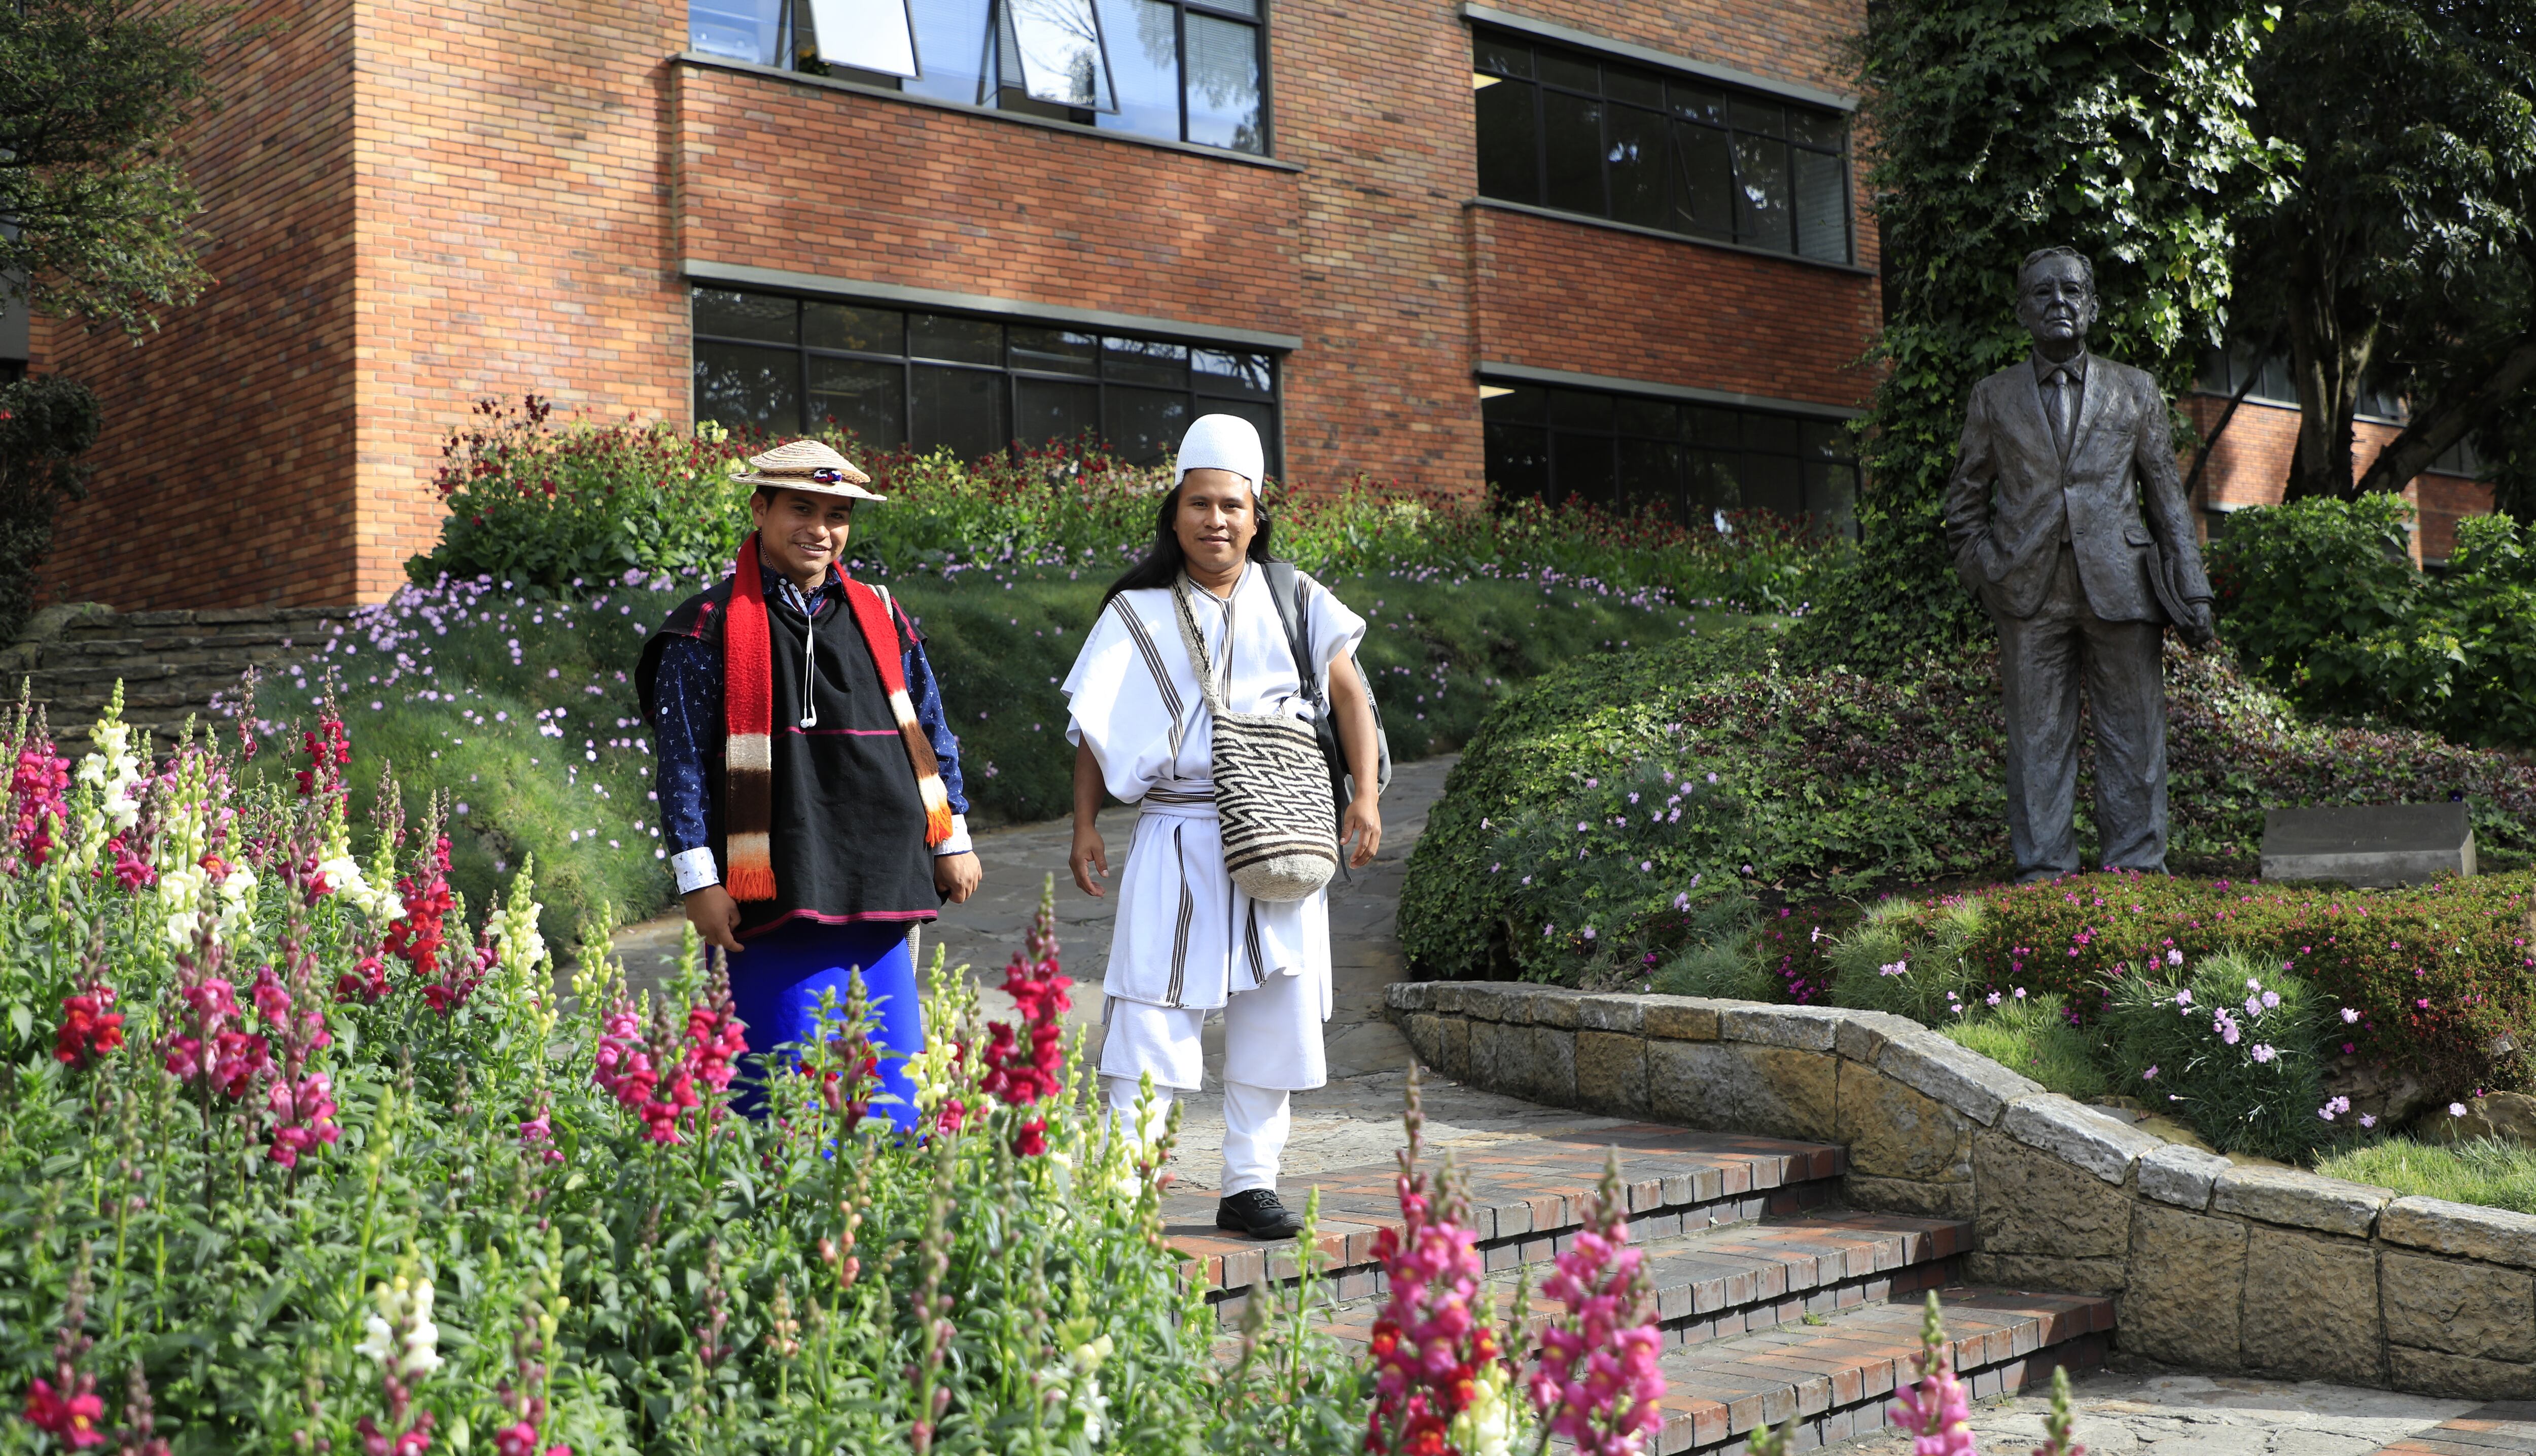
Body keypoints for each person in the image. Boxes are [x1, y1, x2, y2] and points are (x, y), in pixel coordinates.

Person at [1063, 414, 1383, 1239]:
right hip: (1175, 829)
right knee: (1150, 1009)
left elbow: (1350, 696)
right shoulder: (1136, 611)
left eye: (1231, 506)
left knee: (1277, 1009)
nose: (1215, 520)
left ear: (1256, 513)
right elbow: (1098, 723)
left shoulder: (1298, 596)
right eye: (1199, 504)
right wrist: (1085, 825)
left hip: (1281, 829)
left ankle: (1250, 1182)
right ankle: (1127, 1187)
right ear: (1175, 513)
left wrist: (1368, 796)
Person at [638, 438, 983, 1126]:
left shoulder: (881, 615)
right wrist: (698, 881)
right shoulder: (703, 629)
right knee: (777, 1083)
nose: (821, 529)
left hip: (882, 880)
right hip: (771, 890)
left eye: (838, 514)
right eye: (802, 508)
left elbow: (931, 730)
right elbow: (680, 763)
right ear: (759, 508)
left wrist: (954, 839)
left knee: (885, 1085)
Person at [1941, 245, 2216, 882]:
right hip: (2026, 589)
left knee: (2134, 736)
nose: (2057, 303)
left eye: (2070, 291)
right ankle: (2043, 873)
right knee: (2036, 739)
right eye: (2041, 293)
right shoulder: (1992, 396)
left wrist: (2193, 591)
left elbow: (2166, 499)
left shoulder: (2135, 389)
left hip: (2121, 585)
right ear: (2021, 311)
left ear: (2090, 306)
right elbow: (1963, 500)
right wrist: (1984, 570)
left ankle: (2137, 869)